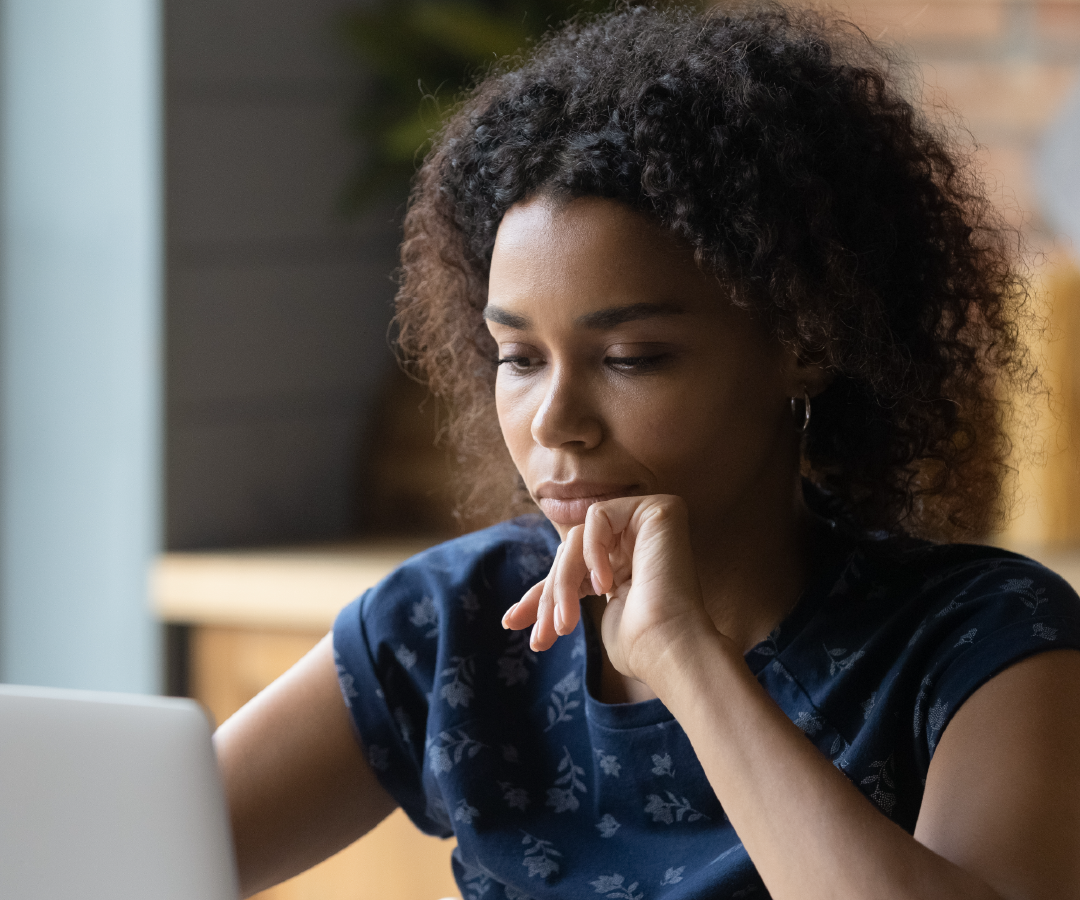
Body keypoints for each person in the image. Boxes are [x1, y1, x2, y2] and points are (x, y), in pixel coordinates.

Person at [213, 4, 1080, 899]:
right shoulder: (456, 625)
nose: (554, 421)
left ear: (805, 344)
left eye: (631, 358)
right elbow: (119, 854)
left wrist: (685, 657)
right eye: (518, 358)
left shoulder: (985, 643)